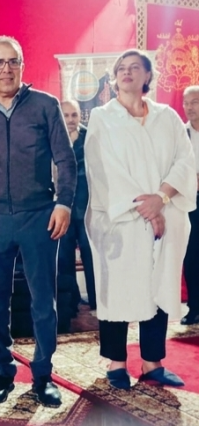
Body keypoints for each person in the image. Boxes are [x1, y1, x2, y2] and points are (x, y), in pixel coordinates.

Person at [85, 50, 196, 390]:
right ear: (114, 76)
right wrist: (144, 208)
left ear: (148, 75)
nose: (127, 72)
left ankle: (152, 362)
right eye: (121, 68)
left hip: (166, 214)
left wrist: (161, 199)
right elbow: (103, 168)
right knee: (117, 287)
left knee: (157, 286)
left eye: (135, 67)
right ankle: (116, 362)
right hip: (120, 219)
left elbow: (184, 161)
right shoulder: (103, 117)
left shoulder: (167, 117)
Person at [0, 36, 75, 408]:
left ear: (22, 66)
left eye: (13, 61)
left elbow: (66, 159)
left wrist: (63, 203)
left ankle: (43, 374)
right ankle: (3, 371)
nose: (6, 69)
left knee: (43, 301)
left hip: (39, 216)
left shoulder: (46, 105)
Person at [57, 99, 96, 313]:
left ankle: (97, 302)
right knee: (64, 257)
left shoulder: (90, 136)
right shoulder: (53, 136)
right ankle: (69, 303)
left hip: (88, 207)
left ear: (80, 116)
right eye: (66, 115)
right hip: (62, 208)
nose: (70, 120)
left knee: (91, 255)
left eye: (74, 115)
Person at [181, 86, 199, 326]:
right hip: (189, 202)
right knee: (192, 256)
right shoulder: (181, 134)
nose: (189, 107)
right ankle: (194, 307)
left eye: (194, 102)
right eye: (186, 103)